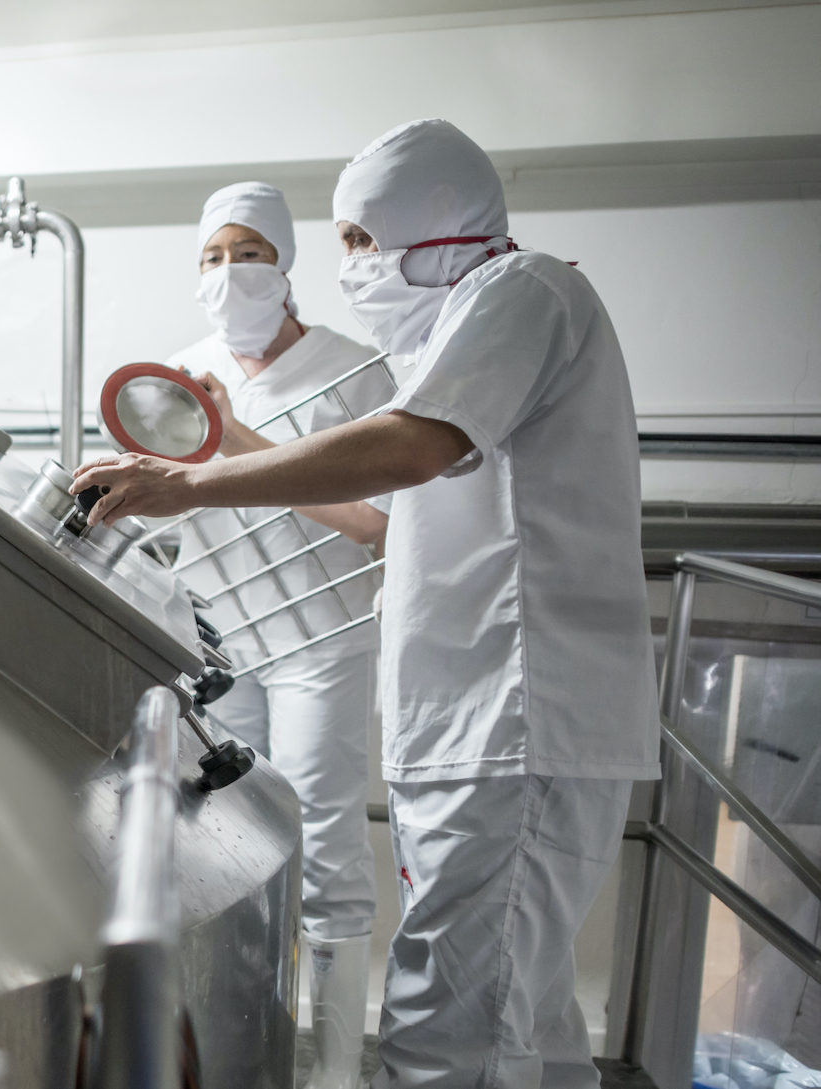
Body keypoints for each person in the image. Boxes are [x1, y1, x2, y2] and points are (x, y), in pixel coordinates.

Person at [77, 119, 660, 1089]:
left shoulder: (522, 291)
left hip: (516, 712)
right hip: (470, 711)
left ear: (426, 224)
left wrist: (194, 478)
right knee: (522, 1023)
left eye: (357, 239)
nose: (349, 264)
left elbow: (409, 449)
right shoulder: (460, 324)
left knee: (456, 1034)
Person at [163, 181, 388, 1089]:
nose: (229, 274)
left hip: (324, 642)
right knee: (229, 852)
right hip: (223, 648)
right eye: (212, 257)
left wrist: (236, 433)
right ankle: (241, 1057)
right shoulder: (179, 373)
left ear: (286, 264)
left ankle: (332, 1072)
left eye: (248, 253)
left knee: (328, 854)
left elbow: (378, 521)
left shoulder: (358, 372)